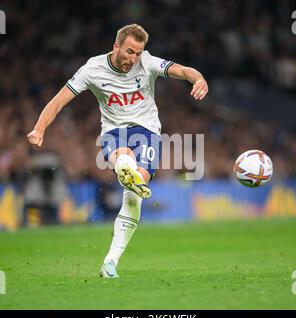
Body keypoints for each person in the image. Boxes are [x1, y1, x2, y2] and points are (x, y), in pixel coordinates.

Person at [27, 24, 208, 278]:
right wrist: (39, 128)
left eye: (138, 53)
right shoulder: (93, 68)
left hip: (147, 132)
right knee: (123, 156)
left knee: (135, 191)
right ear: (116, 46)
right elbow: (58, 101)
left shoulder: (147, 62)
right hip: (114, 132)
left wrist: (198, 79)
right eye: (129, 52)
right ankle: (125, 166)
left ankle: (110, 261)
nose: (133, 59)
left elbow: (183, 70)